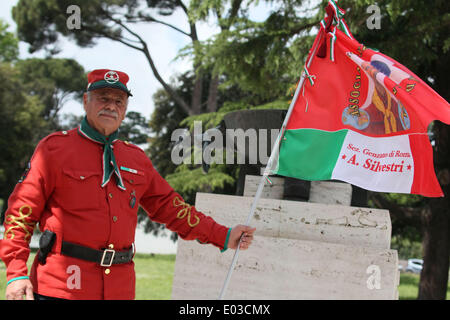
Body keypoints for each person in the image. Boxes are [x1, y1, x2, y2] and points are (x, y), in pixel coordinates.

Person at [0, 69, 256, 300]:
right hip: (62, 288)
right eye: (103, 98)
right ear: (85, 101)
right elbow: (21, 214)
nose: (111, 106)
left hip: (119, 289)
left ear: (125, 109)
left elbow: (172, 208)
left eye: (118, 101)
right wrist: (16, 273)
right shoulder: (54, 150)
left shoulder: (136, 158)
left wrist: (223, 235)